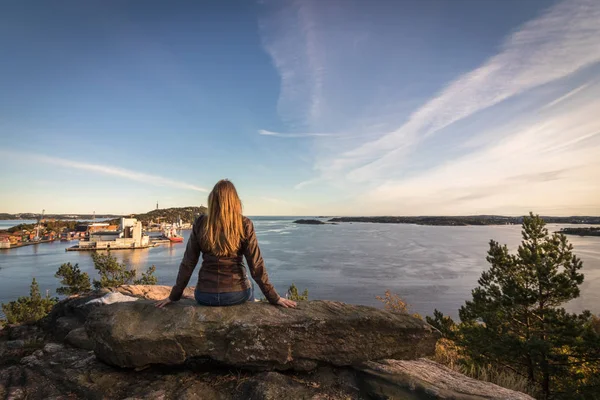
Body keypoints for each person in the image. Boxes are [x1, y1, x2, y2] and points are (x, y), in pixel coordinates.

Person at [155, 179, 296, 309]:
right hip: (236, 293)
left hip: (205, 294)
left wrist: (174, 296)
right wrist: (274, 298)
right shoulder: (245, 224)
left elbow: (188, 263)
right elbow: (256, 265)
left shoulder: (200, 223)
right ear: (235, 201)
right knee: (250, 286)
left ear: (212, 200)